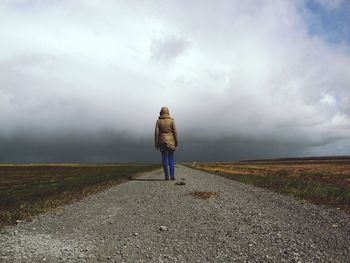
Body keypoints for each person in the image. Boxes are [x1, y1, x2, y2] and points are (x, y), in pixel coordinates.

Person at [154, 106, 178, 180]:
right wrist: (176, 142)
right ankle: (172, 176)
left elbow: (156, 133)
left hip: (162, 142)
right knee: (171, 158)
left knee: (164, 158)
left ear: (161, 112)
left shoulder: (158, 121)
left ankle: (166, 176)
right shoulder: (172, 121)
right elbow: (175, 133)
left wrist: (156, 143)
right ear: (168, 112)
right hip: (171, 141)